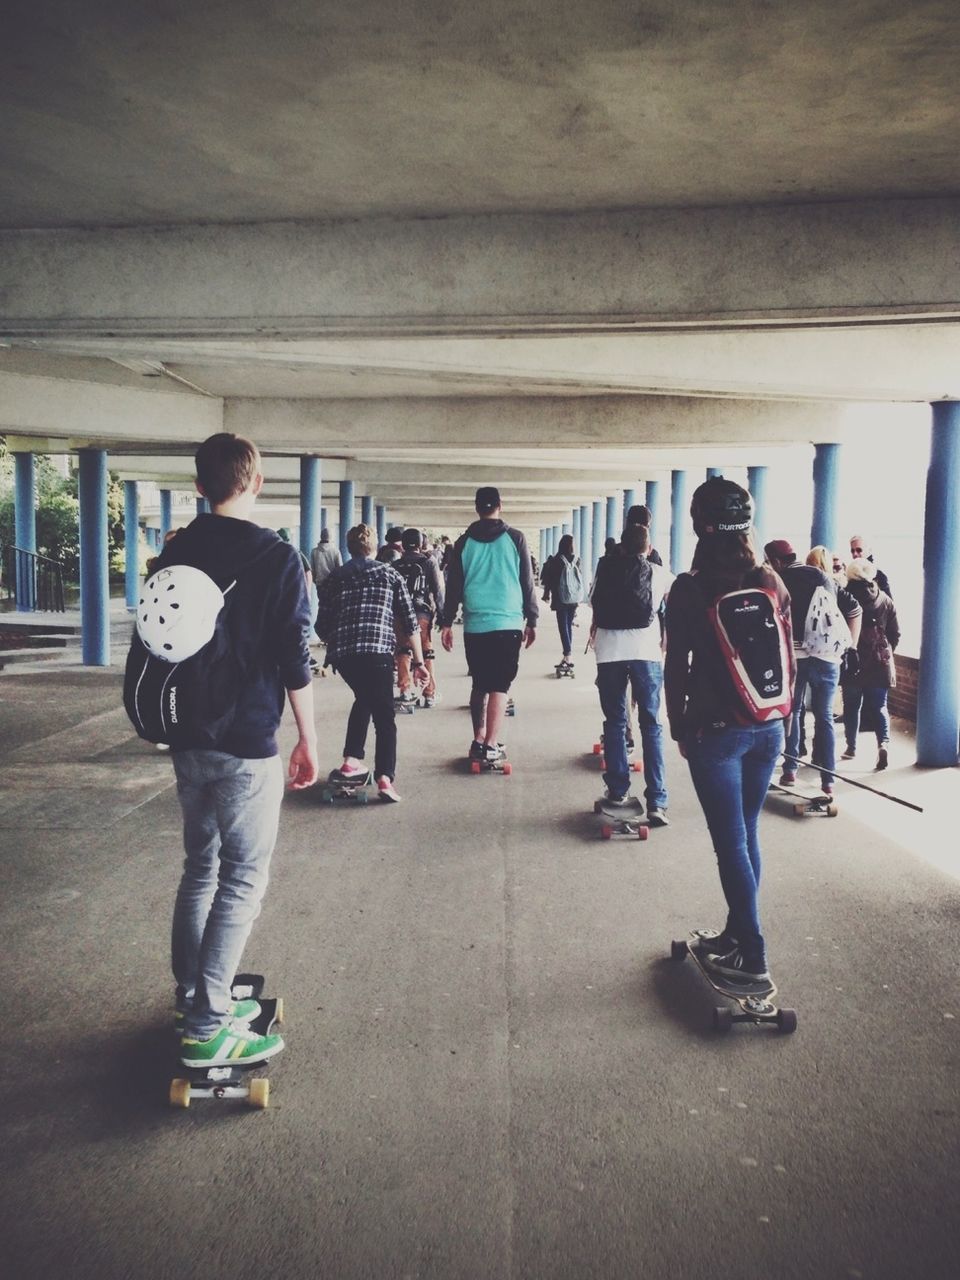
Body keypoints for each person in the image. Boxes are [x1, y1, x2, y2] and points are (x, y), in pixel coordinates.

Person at [156, 432, 319, 1068]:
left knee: (202, 865)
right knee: (243, 877)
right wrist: (307, 735)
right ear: (256, 482)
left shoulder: (174, 551)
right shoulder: (277, 557)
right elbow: (294, 656)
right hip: (248, 738)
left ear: (199, 487)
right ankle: (210, 1023)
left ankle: (193, 992)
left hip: (185, 734)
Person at [664, 477, 795, 987]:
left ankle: (754, 952)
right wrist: (781, 718)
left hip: (717, 734)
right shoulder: (770, 578)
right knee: (747, 834)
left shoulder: (690, 587)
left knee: (731, 844)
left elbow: (676, 666)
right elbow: (790, 657)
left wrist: (678, 725)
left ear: (699, 524)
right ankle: (736, 934)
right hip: (769, 727)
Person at [315, 523, 428, 801]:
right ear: (375, 548)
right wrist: (419, 661)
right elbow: (410, 623)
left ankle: (351, 761)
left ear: (349, 548)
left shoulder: (335, 578)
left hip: (344, 655)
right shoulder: (390, 575)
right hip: (377, 651)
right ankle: (385, 778)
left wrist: (338, 636)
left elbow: (321, 624)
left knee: (364, 698)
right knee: (384, 715)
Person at [441, 487, 538, 764]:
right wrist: (532, 619)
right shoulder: (516, 538)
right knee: (500, 684)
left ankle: (479, 738)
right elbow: (526, 582)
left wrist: (446, 622)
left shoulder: (463, 542)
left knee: (480, 682)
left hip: (475, 624)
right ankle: (492, 745)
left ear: (476, 508)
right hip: (508, 622)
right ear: (500, 505)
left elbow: (454, 585)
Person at [764, 539, 862, 797]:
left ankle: (790, 769)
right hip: (828, 657)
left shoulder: (778, 580)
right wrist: (851, 646)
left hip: (796, 657)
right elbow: (855, 610)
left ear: (775, 561)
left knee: (793, 712)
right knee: (825, 716)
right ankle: (828, 780)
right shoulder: (823, 577)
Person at [590, 523, 672, 824]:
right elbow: (677, 599)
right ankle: (657, 800)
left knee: (615, 721)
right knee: (651, 724)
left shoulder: (605, 569)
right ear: (648, 548)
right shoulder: (658, 571)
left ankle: (618, 790)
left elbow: (593, 602)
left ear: (622, 546)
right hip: (646, 654)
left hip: (610, 653)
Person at [841, 559, 900, 770]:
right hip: (879, 661)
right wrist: (885, 650)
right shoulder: (884, 598)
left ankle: (851, 747)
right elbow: (895, 633)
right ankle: (883, 744)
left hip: (853, 660)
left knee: (851, 707)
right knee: (879, 706)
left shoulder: (845, 597)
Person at [394, 527, 446, 707]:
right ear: (420, 543)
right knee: (426, 651)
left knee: (402, 651)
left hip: (399, 613)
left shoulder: (396, 565)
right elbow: (438, 590)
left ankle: (405, 691)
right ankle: (429, 694)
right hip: (422, 613)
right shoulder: (429, 562)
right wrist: (442, 615)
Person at [279, 527, 321, 675]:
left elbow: (308, 571)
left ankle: (305, 656)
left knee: (297, 625)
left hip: (295, 594)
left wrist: (306, 592)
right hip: (291, 595)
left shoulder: (293, 552)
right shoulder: (290, 552)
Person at [540, 533, 584, 672]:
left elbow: (550, 579)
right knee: (568, 626)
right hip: (574, 598)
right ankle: (567, 656)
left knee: (563, 626)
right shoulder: (577, 560)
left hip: (560, 598)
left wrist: (547, 594)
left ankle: (568, 655)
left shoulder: (557, 560)